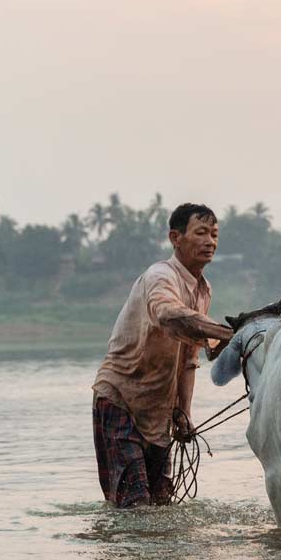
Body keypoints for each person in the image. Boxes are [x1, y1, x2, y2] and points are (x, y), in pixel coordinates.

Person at [90, 204, 235, 507]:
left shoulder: (203, 290)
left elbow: (189, 360)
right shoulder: (160, 276)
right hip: (121, 398)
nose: (210, 241)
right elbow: (169, 315)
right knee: (135, 505)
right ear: (175, 237)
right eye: (201, 233)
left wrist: (183, 412)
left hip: (158, 412)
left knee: (160, 503)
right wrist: (229, 334)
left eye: (214, 234)